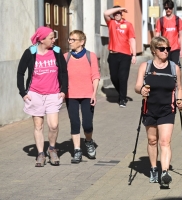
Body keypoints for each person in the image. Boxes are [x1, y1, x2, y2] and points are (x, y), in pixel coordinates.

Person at [134, 36, 182, 187]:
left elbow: (179, 88)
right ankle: (154, 168)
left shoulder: (174, 68)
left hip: (168, 109)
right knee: (152, 140)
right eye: (162, 49)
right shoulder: (146, 67)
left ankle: (165, 173)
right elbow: (137, 87)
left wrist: (180, 100)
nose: (166, 51)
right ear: (154, 50)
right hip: (149, 109)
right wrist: (142, 89)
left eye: (167, 48)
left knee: (164, 141)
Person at [17, 26, 68, 167]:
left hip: (53, 93)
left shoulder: (57, 52)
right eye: (51, 38)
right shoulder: (30, 52)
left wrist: (64, 90)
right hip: (35, 94)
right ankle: (40, 154)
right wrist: (23, 92)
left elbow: (64, 72)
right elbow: (20, 72)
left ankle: (52, 149)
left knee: (54, 125)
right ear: (42, 39)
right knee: (38, 126)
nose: (54, 40)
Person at [64, 30, 100, 163]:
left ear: (82, 42)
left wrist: (94, 93)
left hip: (87, 95)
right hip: (71, 95)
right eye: (69, 39)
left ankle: (89, 141)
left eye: (73, 39)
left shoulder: (91, 56)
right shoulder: (65, 57)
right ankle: (77, 150)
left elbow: (95, 75)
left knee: (87, 124)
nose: (70, 42)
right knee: (74, 122)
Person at [104, 5, 137, 108]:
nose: (117, 15)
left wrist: (134, 54)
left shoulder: (128, 24)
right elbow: (106, 13)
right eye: (116, 13)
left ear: (122, 14)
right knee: (114, 77)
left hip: (125, 55)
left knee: (123, 77)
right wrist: (120, 8)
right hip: (113, 55)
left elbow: (132, 39)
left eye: (119, 13)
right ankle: (122, 92)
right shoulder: (111, 23)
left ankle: (122, 98)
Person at [155, 0, 182, 66]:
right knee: (165, 67)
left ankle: (177, 76)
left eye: (170, 8)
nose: (168, 9)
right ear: (164, 9)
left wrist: (181, 49)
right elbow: (157, 35)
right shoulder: (161, 20)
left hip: (175, 48)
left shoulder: (177, 20)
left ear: (173, 8)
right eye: (166, 8)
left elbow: (180, 35)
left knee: (175, 67)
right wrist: (155, 47)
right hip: (164, 49)